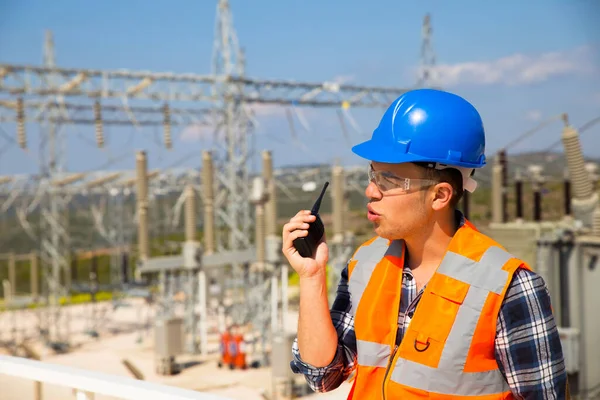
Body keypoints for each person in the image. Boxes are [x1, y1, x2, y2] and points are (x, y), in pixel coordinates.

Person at [281, 89, 569, 399]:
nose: (370, 191)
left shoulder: (508, 287)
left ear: (440, 195)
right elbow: (322, 376)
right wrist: (312, 277)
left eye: (388, 181)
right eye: (373, 175)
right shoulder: (365, 266)